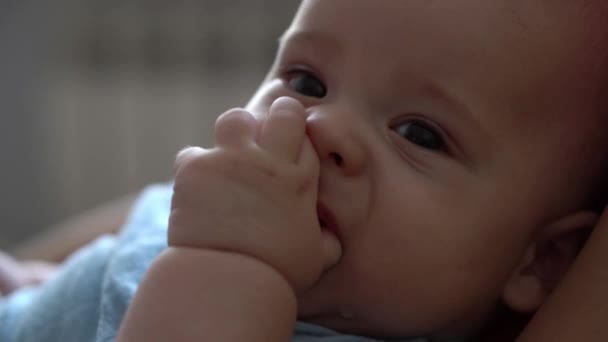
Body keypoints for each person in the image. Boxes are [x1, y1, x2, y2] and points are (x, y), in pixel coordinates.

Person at [2, 0, 608, 341]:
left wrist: (233, 265)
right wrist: (32, 285)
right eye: (306, 81)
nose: (323, 127)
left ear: (541, 261)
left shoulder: (236, 251)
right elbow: (117, 252)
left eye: (421, 134)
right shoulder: (237, 205)